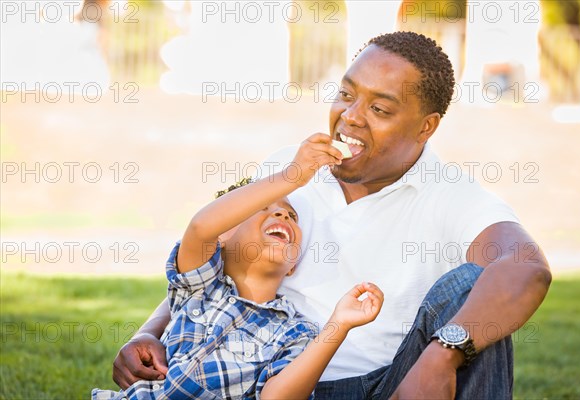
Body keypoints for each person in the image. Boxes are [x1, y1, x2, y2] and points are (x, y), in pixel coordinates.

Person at [113, 31, 552, 399]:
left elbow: (526, 267)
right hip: (267, 381)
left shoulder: (453, 195)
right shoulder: (291, 167)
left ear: (426, 126)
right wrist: (150, 331)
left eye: (379, 109)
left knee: (473, 288)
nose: (350, 118)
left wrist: (443, 355)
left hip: (391, 384)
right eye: (345, 94)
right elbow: (218, 263)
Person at [95, 136, 384, 399]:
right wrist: (291, 176)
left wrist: (338, 325)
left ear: (293, 266)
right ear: (223, 234)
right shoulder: (200, 286)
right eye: (262, 208)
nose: (282, 212)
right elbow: (200, 227)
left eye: (291, 215)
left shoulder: (296, 332)